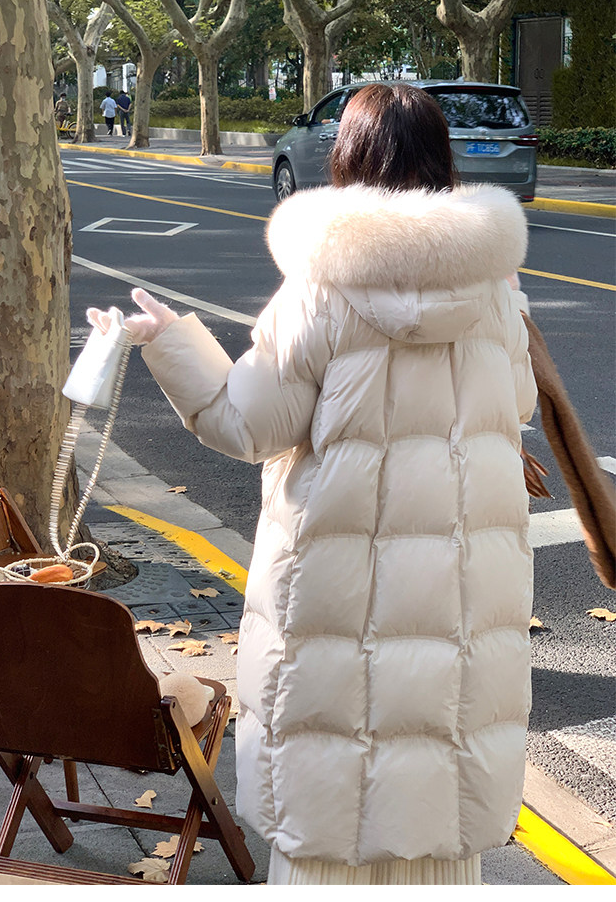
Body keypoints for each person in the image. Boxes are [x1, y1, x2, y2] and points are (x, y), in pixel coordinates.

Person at [89, 83, 537, 885]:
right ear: (442, 160)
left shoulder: (320, 289)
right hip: (460, 591)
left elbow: (247, 426)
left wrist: (167, 340)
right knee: (440, 803)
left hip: (337, 593)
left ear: (347, 161)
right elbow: (521, 402)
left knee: (328, 802)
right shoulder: (495, 293)